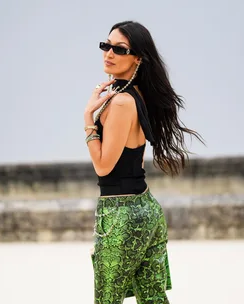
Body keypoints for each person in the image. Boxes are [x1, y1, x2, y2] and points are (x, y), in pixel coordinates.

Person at [84, 21, 203, 304]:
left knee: (107, 299)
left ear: (137, 57)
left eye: (119, 49)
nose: (108, 53)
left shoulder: (123, 102)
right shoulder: (135, 95)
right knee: (152, 299)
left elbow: (103, 166)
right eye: (106, 45)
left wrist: (88, 118)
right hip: (146, 210)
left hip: (120, 214)